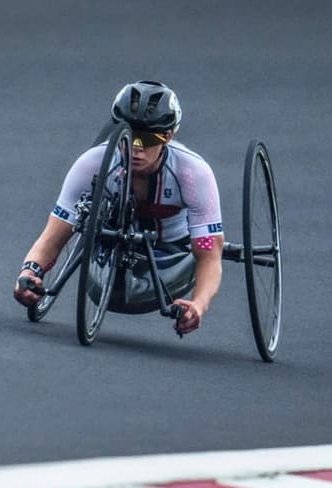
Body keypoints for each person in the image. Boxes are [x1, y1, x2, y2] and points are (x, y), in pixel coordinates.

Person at [13, 80, 224, 336]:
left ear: (168, 136)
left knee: (205, 246)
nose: (136, 148)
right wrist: (29, 272)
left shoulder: (193, 174)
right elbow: (54, 234)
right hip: (108, 251)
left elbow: (208, 252)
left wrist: (198, 305)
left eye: (147, 139)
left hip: (172, 257)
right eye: (131, 136)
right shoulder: (92, 164)